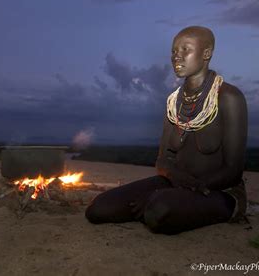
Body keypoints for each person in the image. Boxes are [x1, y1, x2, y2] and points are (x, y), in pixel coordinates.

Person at [85, 26, 248, 234]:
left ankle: (161, 204)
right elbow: (162, 160)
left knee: (159, 208)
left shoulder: (229, 98)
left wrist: (174, 191)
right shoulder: (173, 102)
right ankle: (162, 203)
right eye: (173, 51)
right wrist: (172, 183)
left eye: (185, 50)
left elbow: (233, 172)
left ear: (206, 53)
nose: (176, 57)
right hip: (175, 184)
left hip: (218, 191)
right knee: (98, 209)